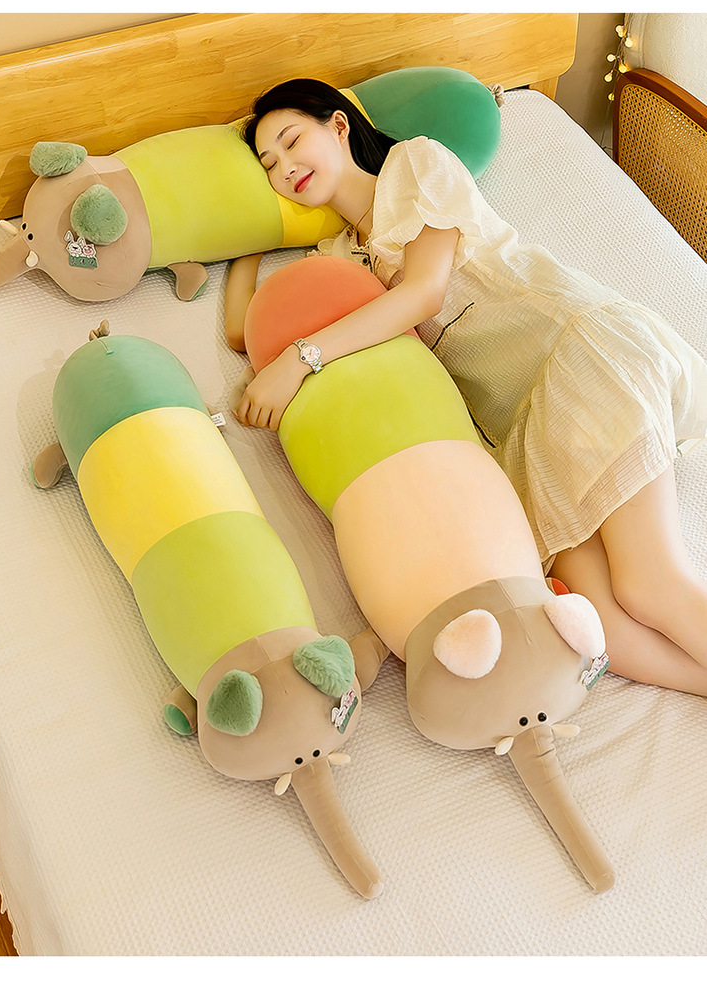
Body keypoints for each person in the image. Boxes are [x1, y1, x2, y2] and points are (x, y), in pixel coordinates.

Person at [224, 78, 707, 697]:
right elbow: (244, 330)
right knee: (596, 622)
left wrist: (301, 358)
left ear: (339, 125)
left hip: (574, 350)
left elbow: (423, 292)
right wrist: (248, 236)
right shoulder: (338, 257)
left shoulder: (415, 164)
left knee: (647, 585)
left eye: (292, 142)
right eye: (269, 165)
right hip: (524, 426)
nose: (285, 168)